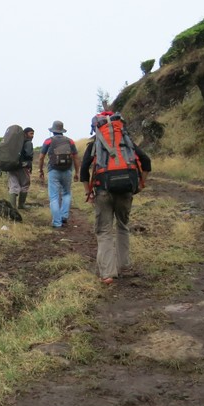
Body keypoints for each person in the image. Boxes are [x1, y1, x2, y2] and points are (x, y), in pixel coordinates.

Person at [80, 112, 152, 284]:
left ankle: (108, 274)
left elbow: (83, 171)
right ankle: (123, 266)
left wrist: (88, 193)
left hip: (103, 191)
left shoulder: (94, 145)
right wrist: (141, 183)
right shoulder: (126, 143)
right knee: (123, 226)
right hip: (126, 190)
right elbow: (146, 161)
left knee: (104, 231)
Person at [38, 120, 79, 228]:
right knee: (66, 193)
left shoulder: (48, 141)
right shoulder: (70, 141)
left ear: (53, 131)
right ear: (62, 131)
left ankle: (57, 222)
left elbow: (41, 157)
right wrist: (77, 172)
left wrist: (40, 170)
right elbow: (75, 157)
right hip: (67, 170)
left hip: (53, 170)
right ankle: (64, 215)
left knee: (54, 197)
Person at [7, 127, 35, 210]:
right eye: (31, 133)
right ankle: (21, 205)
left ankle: (12, 208)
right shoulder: (28, 143)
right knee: (25, 184)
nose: (32, 136)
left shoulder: (13, 143)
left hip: (11, 166)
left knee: (13, 185)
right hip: (23, 167)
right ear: (25, 134)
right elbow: (29, 155)